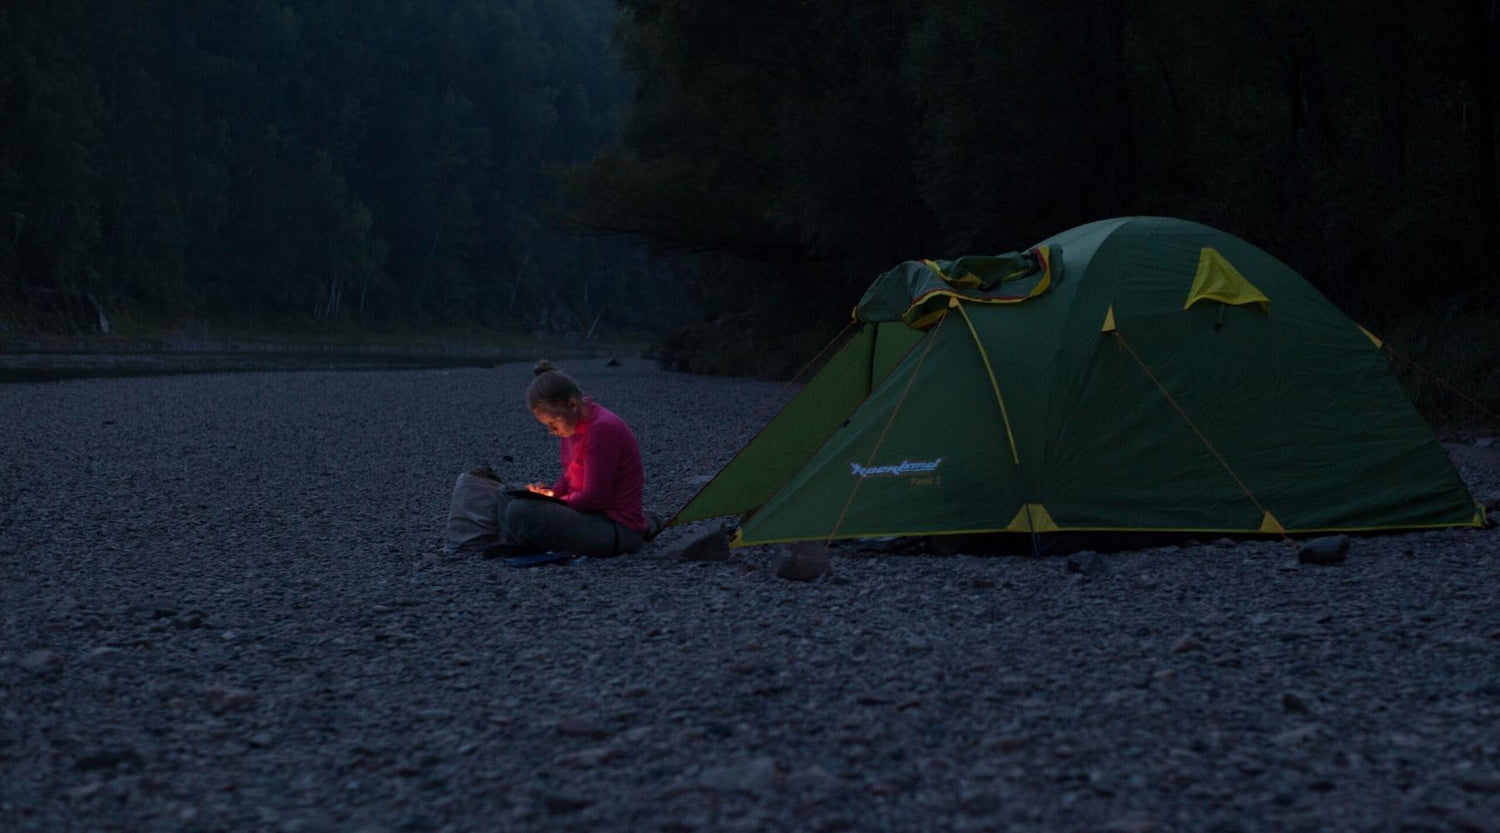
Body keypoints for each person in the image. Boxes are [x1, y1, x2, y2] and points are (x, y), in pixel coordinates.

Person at [481, 360, 656, 558]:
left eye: (553, 422)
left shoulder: (602, 430)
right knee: (508, 495)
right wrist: (550, 493)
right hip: (588, 515)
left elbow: (594, 499)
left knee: (520, 510)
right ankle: (522, 541)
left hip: (613, 527)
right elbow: (569, 478)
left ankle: (525, 540)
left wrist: (555, 501)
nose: (551, 431)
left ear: (572, 405)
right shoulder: (573, 427)